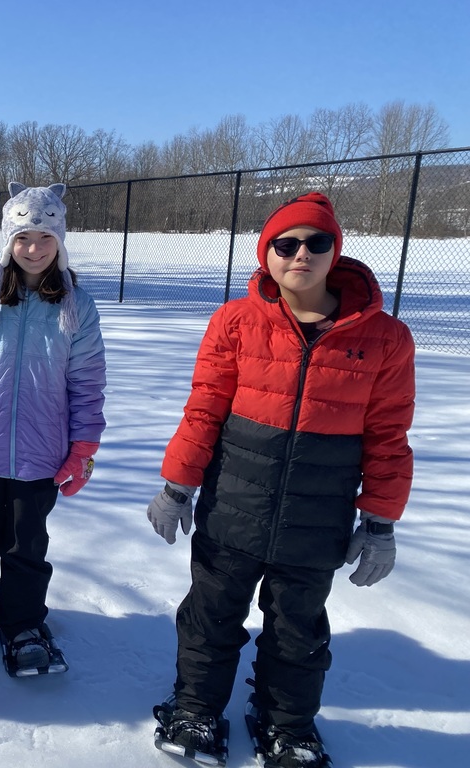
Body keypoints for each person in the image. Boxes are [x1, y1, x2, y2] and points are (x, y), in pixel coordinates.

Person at [147, 192, 415, 767]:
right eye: (286, 244)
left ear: (335, 250)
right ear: (266, 253)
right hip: (232, 507)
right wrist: (176, 487)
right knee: (211, 615)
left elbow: (389, 436)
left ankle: (287, 724)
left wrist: (380, 523)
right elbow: (203, 411)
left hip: (316, 519)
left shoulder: (386, 338)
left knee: (298, 629)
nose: (301, 254)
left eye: (317, 242)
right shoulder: (236, 322)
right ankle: (195, 707)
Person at [0, 182, 107, 672]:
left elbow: (87, 382)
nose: (34, 249)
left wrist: (83, 448)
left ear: (60, 242)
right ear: (8, 240)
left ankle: (23, 624)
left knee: (27, 546)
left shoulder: (77, 305)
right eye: (23, 238)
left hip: (42, 453)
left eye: (45, 238)